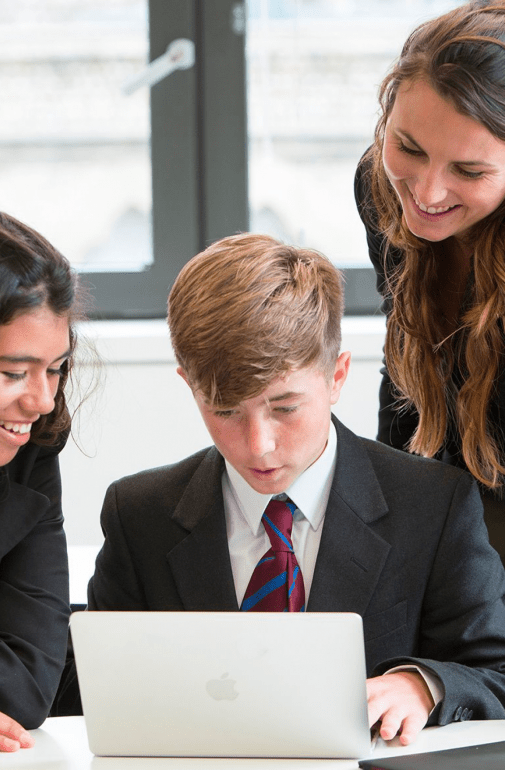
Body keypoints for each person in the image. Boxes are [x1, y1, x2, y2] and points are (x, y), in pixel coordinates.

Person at [56, 233, 505, 746]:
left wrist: (424, 685)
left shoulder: (433, 505)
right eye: (224, 411)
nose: (258, 446)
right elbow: (92, 688)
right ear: (188, 385)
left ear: (337, 377)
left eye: (285, 407)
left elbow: (495, 673)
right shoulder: (140, 515)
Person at [354, 1, 505, 556]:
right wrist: (374, 511)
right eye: (408, 148)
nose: (426, 192)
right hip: (449, 480)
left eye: (469, 171)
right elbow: (406, 360)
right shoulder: (379, 189)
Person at [0, 212, 83, 752]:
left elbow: (27, 686)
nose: (42, 400)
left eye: (54, 368)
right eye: (11, 372)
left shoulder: (33, 448)